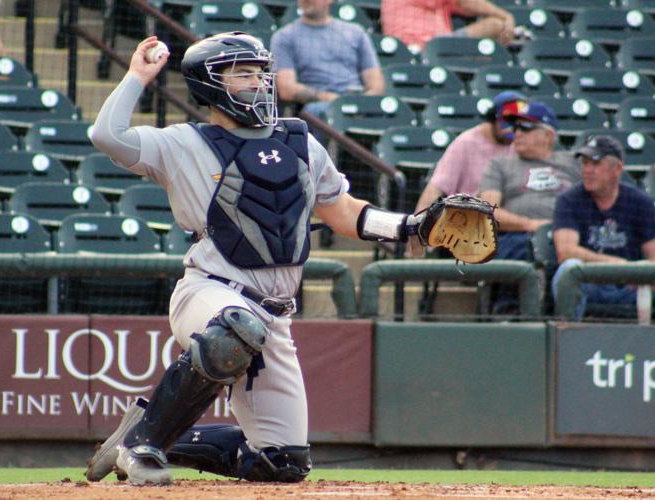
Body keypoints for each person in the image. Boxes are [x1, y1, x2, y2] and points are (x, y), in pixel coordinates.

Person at [85, 32, 433, 485]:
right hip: (211, 291)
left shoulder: (301, 141)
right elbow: (105, 135)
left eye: (261, 72)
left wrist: (409, 226)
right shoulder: (182, 143)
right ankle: (142, 448)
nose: (258, 82)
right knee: (234, 330)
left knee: (281, 463)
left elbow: (342, 211)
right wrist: (136, 76)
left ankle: (147, 432)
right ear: (210, 86)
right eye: (242, 74)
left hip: (274, 317)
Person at [478, 101, 581, 314]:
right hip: (520, 237)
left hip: (569, 235)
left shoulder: (573, 163)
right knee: (525, 249)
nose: (517, 133)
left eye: (525, 127)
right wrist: (531, 224)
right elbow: (488, 211)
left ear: (548, 136)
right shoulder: (501, 165)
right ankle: (513, 318)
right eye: (515, 128)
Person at [409, 90, 526, 256]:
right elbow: (435, 188)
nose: (513, 129)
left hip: (506, 223)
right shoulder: (466, 143)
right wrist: (417, 237)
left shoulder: (519, 144)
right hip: (466, 224)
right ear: (494, 118)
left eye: (520, 124)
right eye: (508, 121)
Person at [552, 135, 655, 320]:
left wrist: (637, 274)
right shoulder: (569, 199)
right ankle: (568, 338)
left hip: (630, 288)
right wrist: (621, 266)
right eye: (585, 163)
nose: (587, 170)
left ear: (617, 169)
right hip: (589, 284)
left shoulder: (641, 202)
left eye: (595, 164)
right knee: (569, 269)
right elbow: (565, 252)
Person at [270, 0, 384, 119]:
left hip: (358, 102)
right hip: (317, 107)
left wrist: (361, 102)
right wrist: (334, 99)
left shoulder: (356, 32)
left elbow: (376, 84)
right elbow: (287, 89)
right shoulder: (284, 36)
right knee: (316, 110)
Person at [381, 0, 515, 53]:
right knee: (495, 25)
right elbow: (464, 2)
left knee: (495, 26)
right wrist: (506, 15)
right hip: (417, 48)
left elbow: (464, 7)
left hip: (437, 45)